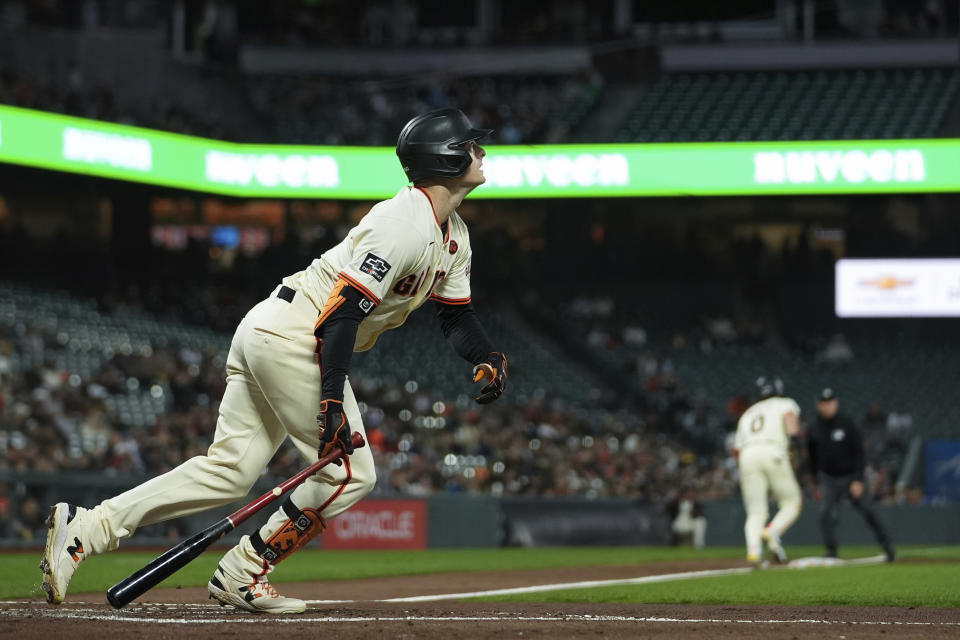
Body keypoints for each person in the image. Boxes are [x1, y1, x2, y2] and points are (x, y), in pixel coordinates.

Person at [39, 108, 509, 614]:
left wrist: (485, 356)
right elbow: (343, 315)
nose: (481, 152)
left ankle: (87, 527)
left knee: (229, 472)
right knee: (352, 474)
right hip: (296, 335)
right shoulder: (404, 222)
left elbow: (455, 318)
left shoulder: (452, 234)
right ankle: (244, 572)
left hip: (272, 328)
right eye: (471, 144)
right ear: (447, 156)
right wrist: (332, 397)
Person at [808, 388, 895, 562]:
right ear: (818, 405)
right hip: (828, 478)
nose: (828, 406)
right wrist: (815, 480)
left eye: (831, 402)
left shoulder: (846, 423)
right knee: (826, 514)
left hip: (850, 477)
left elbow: (859, 452)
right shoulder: (814, 428)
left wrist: (857, 479)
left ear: (836, 403)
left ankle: (888, 549)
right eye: (824, 403)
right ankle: (831, 551)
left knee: (869, 511)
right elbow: (812, 456)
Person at [733, 376, 802, 568]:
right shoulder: (784, 403)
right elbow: (791, 424)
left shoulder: (748, 412)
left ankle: (754, 551)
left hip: (747, 455)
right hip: (773, 451)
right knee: (791, 502)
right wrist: (796, 446)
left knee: (756, 511)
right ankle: (773, 531)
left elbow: (737, 446)